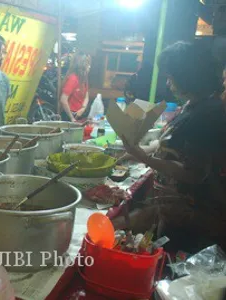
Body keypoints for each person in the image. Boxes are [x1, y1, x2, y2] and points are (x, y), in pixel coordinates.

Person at [113, 42, 226, 253]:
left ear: (188, 76)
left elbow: (193, 173)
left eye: (171, 76)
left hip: (195, 216)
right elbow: (168, 143)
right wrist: (136, 153)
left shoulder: (209, 115)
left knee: (180, 267)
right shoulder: (193, 105)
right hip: (174, 209)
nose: (168, 82)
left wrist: (144, 157)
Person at [59, 52, 91, 122]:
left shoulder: (84, 78)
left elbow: (86, 96)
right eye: (88, 64)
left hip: (80, 113)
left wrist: (83, 108)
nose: (89, 66)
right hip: (70, 115)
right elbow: (63, 99)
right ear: (81, 65)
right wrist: (72, 118)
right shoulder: (73, 78)